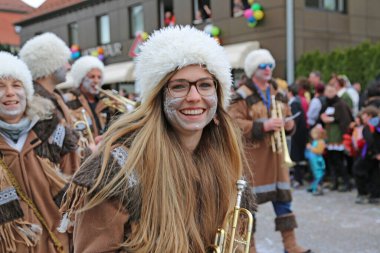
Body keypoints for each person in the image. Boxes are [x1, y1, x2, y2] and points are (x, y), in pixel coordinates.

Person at [59, 26, 254, 253]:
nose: (194, 97)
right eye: (179, 86)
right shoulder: (117, 168)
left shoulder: (227, 158)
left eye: (205, 85)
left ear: (218, 95)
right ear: (157, 96)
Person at [228, 49, 312, 253]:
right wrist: (262, 126)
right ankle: (249, 247)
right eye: (263, 66)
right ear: (252, 70)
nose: (268, 70)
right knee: (248, 206)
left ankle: (290, 244)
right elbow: (233, 124)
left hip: (276, 157)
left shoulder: (279, 93)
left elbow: (289, 117)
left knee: (283, 201)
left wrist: (289, 125)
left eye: (270, 66)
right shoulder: (241, 95)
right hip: (253, 159)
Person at [0, 52, 70, 253]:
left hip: (59, 245)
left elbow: (78, 196)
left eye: (16, 85)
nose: (10, 93)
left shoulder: (55, 134)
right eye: (0, 86)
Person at [19, 32, 80, 175]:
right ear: (51, 66)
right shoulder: (36, 104)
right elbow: (49, 154)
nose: (68, 66)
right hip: (55, 185)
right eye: (64, 61)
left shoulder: (55, 97)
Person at [64, 56, 109, 138]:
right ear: (81, 79)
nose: (96, 81)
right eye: (92, 77)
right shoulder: (69, 99)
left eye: (99, 77)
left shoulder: (103, 100)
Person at [320, 83, 353, 192]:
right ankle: (334, 182)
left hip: (337, 136)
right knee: (331, 160)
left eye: (331, 92)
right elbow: (322, 115)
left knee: (339, 160)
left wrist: (332, 120)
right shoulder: (326, 103)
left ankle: (346, 182)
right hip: (329, 135)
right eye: (327, 91)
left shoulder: (340, 104)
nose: (329, 94)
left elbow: (345, 120)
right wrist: (323, 118)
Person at [304, 124, 326, 196]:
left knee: (318, 174)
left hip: (317, 160)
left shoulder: (321, 142)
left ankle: (318, 188)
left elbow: (319, 151)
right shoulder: (314, 141)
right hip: (312, 160)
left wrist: (311, 148)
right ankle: (314, 186)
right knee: (314, 174)